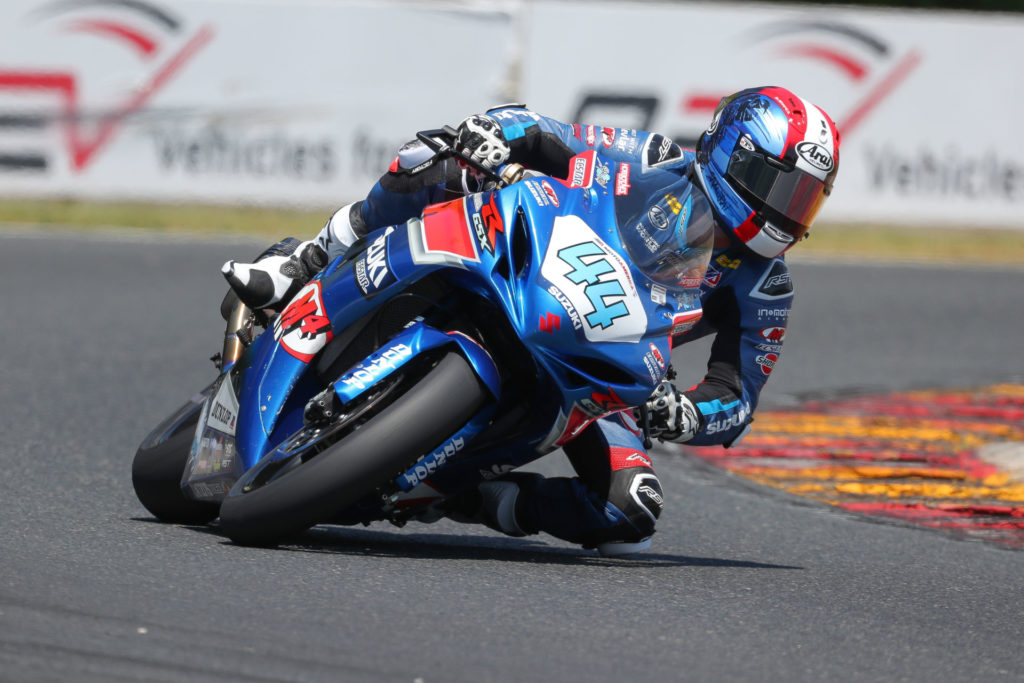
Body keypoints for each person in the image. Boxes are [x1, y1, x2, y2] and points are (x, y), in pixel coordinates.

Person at [222, 87, 841, 555]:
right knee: (437, 159)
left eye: (805, 198)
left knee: (631, 512)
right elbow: (543, 130)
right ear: (734, 150)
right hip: (534, 264)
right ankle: (308, 261)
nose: (787, 210)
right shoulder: (652, 157)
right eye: (779, 186)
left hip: (609, 365)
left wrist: (687, 413)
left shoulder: (766, 284)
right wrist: (494, 133)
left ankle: (471, 497)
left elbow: (737, 396)